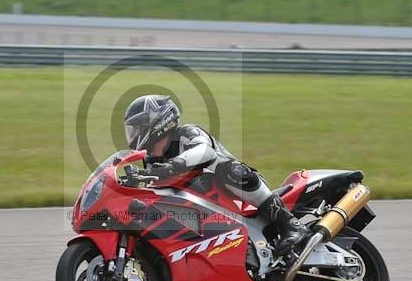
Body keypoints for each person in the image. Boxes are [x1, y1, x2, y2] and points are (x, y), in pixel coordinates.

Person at [124, 94, 311, 258]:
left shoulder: (187, 133)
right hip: (203, 211)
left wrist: (174, 165)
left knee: (229, 169)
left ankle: (291, 224)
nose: (134, 134)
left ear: (158, 122)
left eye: (138, 126)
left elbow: (205, 152)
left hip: (238, 193)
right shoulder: (150, 160)